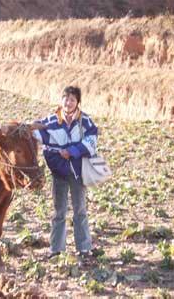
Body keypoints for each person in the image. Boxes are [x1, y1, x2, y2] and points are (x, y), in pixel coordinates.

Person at [32, 86, 98, 259]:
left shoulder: (85, 122)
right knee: (59, 211)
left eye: (72, 100)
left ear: (77, 103)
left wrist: (72, 151)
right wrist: (17, 128)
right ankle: (56, 249)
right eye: (66, 99)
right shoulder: (51, 122)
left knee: (80, 210)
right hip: (59, 172)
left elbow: (91, 142)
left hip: (78, 172)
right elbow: (35, 134)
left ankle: (83, 248)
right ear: (61, 100)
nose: (68, 103)